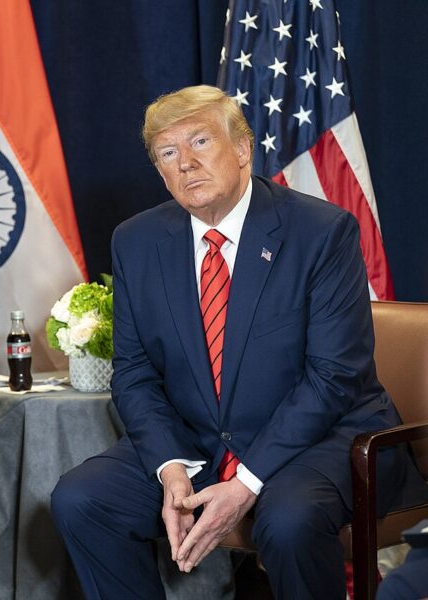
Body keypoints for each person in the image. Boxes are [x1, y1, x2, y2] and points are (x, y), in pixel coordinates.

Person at [51, 85, 414, 599]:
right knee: (82, 499)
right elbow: (133, 373)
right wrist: (170, 467)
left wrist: (246, 483)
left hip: (320, 441)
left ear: (243, 149)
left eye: (201, 142)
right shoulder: (136, 241)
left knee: (287, 521)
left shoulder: (321, 232)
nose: (186, 164)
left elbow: (334, 377)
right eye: (168, 154)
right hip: (197, 445)